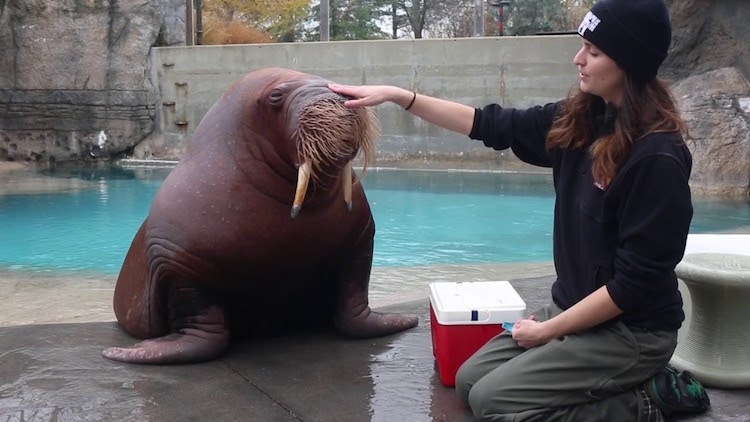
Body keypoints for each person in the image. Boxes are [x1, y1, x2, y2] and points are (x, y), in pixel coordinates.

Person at [328, 0, 712, 420]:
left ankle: (648, 400)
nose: (578, 59)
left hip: (633, 330)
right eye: (583, 46)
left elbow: (633, 286)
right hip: (575, 308)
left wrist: (547, 331)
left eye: (594, 52)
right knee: (469, 380)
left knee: (496, 403)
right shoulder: (580, 120)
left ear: (629, 64)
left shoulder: (657, 159)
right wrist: (401, 97)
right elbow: (490, 124)